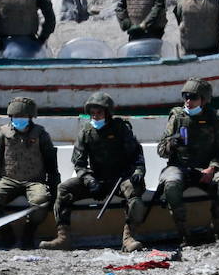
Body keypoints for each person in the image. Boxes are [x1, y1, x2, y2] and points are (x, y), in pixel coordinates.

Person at [42, 92, 147, 253]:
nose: (95, 116)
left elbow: (136, 154)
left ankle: (128, 238)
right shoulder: (86, 132)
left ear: (107, 113)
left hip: (120, 178)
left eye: (99, 113)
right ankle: (63, 238)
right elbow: (79, 163)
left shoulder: (120, 128)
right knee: (64, 189)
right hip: (97, 178)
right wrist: (90, 181)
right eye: (92, 113)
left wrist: (139, 170)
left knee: (135, 191)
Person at [158, 79, 219, 252]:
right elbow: (161, 150)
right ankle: (183, 234)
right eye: (185, 96)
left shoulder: (213, 119)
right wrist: (172, 144)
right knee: (171, 184)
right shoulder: (177, 117)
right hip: (179, 167)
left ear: (203, 99)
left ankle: (216, 230)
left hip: (205, 168)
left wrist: (212, 168)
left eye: (193, 97)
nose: (188, 101)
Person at [0, 96, 60, 249]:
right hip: (9, 179)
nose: (19, 119)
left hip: (35, 180)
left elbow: (51, 163)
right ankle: (6, 233)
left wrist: (54, 186)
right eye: (16, 117)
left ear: (31, 117)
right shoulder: (4, 134)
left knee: (41, 202)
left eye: (23, 116)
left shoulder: (41, 134)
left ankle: (28, 232)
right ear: (10, 117)